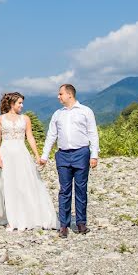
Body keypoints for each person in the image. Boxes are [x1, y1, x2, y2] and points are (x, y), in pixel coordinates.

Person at [0, 92, 58, 230]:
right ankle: (12, 219)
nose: (22, 105)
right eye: (19, 103)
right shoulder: (0, 119)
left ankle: (27, 216)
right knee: (8, 186)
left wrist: (37, 155)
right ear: (12, 104)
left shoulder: (25, 119)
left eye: (22, 103)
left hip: (22, 154)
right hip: (6, 154)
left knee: (24, 185)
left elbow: (30, 137)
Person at [39, 84, 99, 238]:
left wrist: (94, 155)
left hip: (82, 153)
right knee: (64, 190)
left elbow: (93, 133)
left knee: (81, 189)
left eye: (60, 94)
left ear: (69, 95)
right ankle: (64, 225)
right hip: (63, 154)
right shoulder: (57, 114)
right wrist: (44, 156)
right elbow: (51, 135)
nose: (58, 97)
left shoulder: (86, 111)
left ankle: (81, 223)